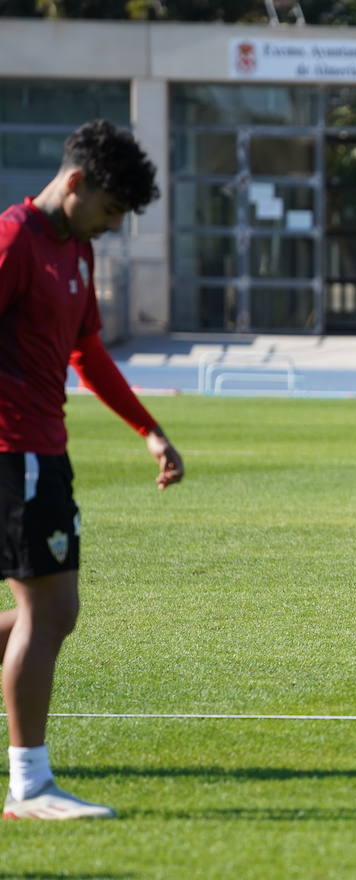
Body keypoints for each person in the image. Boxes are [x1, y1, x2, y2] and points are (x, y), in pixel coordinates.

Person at [0, 119, 184, 819]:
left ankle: (30, 783)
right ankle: (30, 787)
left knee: (47, 612)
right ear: (75, 183)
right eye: (110, 210)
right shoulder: (17, 240)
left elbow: (89, 354)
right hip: (11, 451)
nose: (113, 227)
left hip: (44, 450)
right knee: (50, 611)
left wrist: (149, 429)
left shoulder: (76, 253)